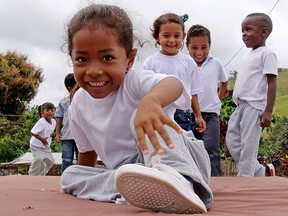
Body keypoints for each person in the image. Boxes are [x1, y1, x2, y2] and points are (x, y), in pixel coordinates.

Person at [60, 4, 213, 214]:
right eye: (82, 59)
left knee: (138, 115)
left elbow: (174, 84)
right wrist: (87, 176)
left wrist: (151, 101)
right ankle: (135, 190)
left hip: (176, 158)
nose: (94, 71)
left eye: (107, 58)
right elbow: (87, 154)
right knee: (70, 175)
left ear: (130, 60)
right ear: (72, 58)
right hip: (131, 172)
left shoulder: (133, 82)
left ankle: (182, 183)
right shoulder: (77, 104)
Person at [226, 13, 278, 177]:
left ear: (264, 32)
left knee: (248, 146)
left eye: (248, 29)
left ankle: (245, 181)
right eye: (242, 30)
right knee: (232, 142)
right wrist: (232, 92)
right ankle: (260, 171)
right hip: (240, 106)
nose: (244, 34)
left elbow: (272, 83)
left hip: (254, 107)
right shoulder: (248, 55)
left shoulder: (267, 54)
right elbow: (247, 81)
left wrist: (268, 111)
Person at [142, 13, 206, 133]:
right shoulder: (151, 63)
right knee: (161, 148)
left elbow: (193, 93)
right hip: (158, 113)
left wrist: (198, 116)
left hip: (182, 114)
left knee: (181, 148)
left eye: (177, 36)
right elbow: (144, 92)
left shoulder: (188, 62)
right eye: (166, 35)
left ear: (183, 36)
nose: (172, 40)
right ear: (157, 36)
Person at [186, 24, 228, 176]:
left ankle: (216, 181)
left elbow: (224, 82)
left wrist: (218, 99)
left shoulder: (216, 63)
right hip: (188, 114)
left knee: (211, 147)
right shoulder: (184, 64)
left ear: (210, 46)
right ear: (187, 46)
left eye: (204, 47)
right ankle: (192, 181)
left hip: (210, 114)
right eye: (194, 48)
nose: (199, 52)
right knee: (189, 149)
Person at [55, 73, 79, 174]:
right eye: (78, 87)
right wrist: (58, 133)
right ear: (70, 89)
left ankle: (81, 178)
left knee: (81, 159)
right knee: (67, 159)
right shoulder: (63, 102)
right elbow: (59, 117)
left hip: (81, 136)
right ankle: (65, 179)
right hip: (67, 135)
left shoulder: (86, 99)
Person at [28, 102, 56, 176]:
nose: (50, 112)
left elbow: (51, 129)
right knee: (39, 159)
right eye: (47, 110)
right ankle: (32, 175)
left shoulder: (54, 122)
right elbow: (33, 132)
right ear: (42, 112)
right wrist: (42, 139)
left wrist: (52, 133)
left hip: (46, 146)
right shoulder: (41, 122)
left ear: (54, 112)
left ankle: (41, 175)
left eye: (52, 110)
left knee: (51, 161)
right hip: (36, 145)